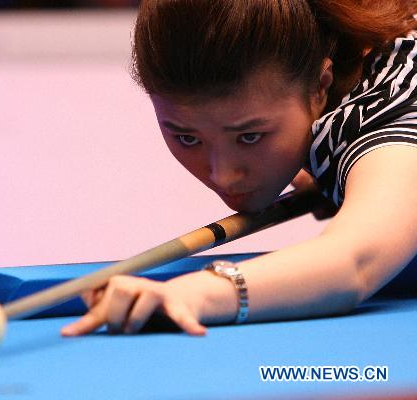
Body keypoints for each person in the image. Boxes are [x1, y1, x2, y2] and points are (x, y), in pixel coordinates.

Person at [61, 0, 417, 336]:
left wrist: (197, 293)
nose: (223, 174)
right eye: (187, 138)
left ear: (320, 85)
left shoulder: (390, 118)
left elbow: (355, 262)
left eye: (249, 136)